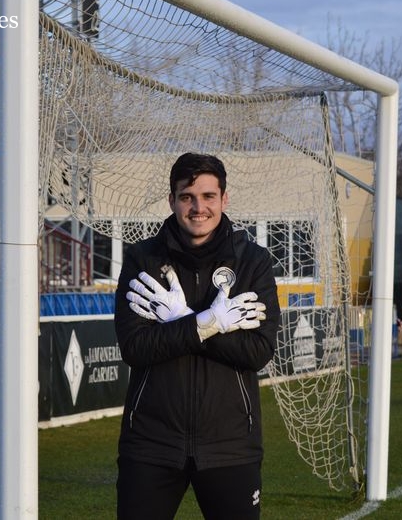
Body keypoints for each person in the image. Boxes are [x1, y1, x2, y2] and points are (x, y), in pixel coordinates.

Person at [114, 152, 281, 519]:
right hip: (151, 444)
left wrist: (184, 322)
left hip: (231, 445)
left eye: (208, 196)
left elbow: (258, 350)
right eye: (187, 196)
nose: (198, 207)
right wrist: (207, 322)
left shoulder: (252, 262)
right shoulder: (143, 260)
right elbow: (135, 347)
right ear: (172, 199)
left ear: (224, 199)